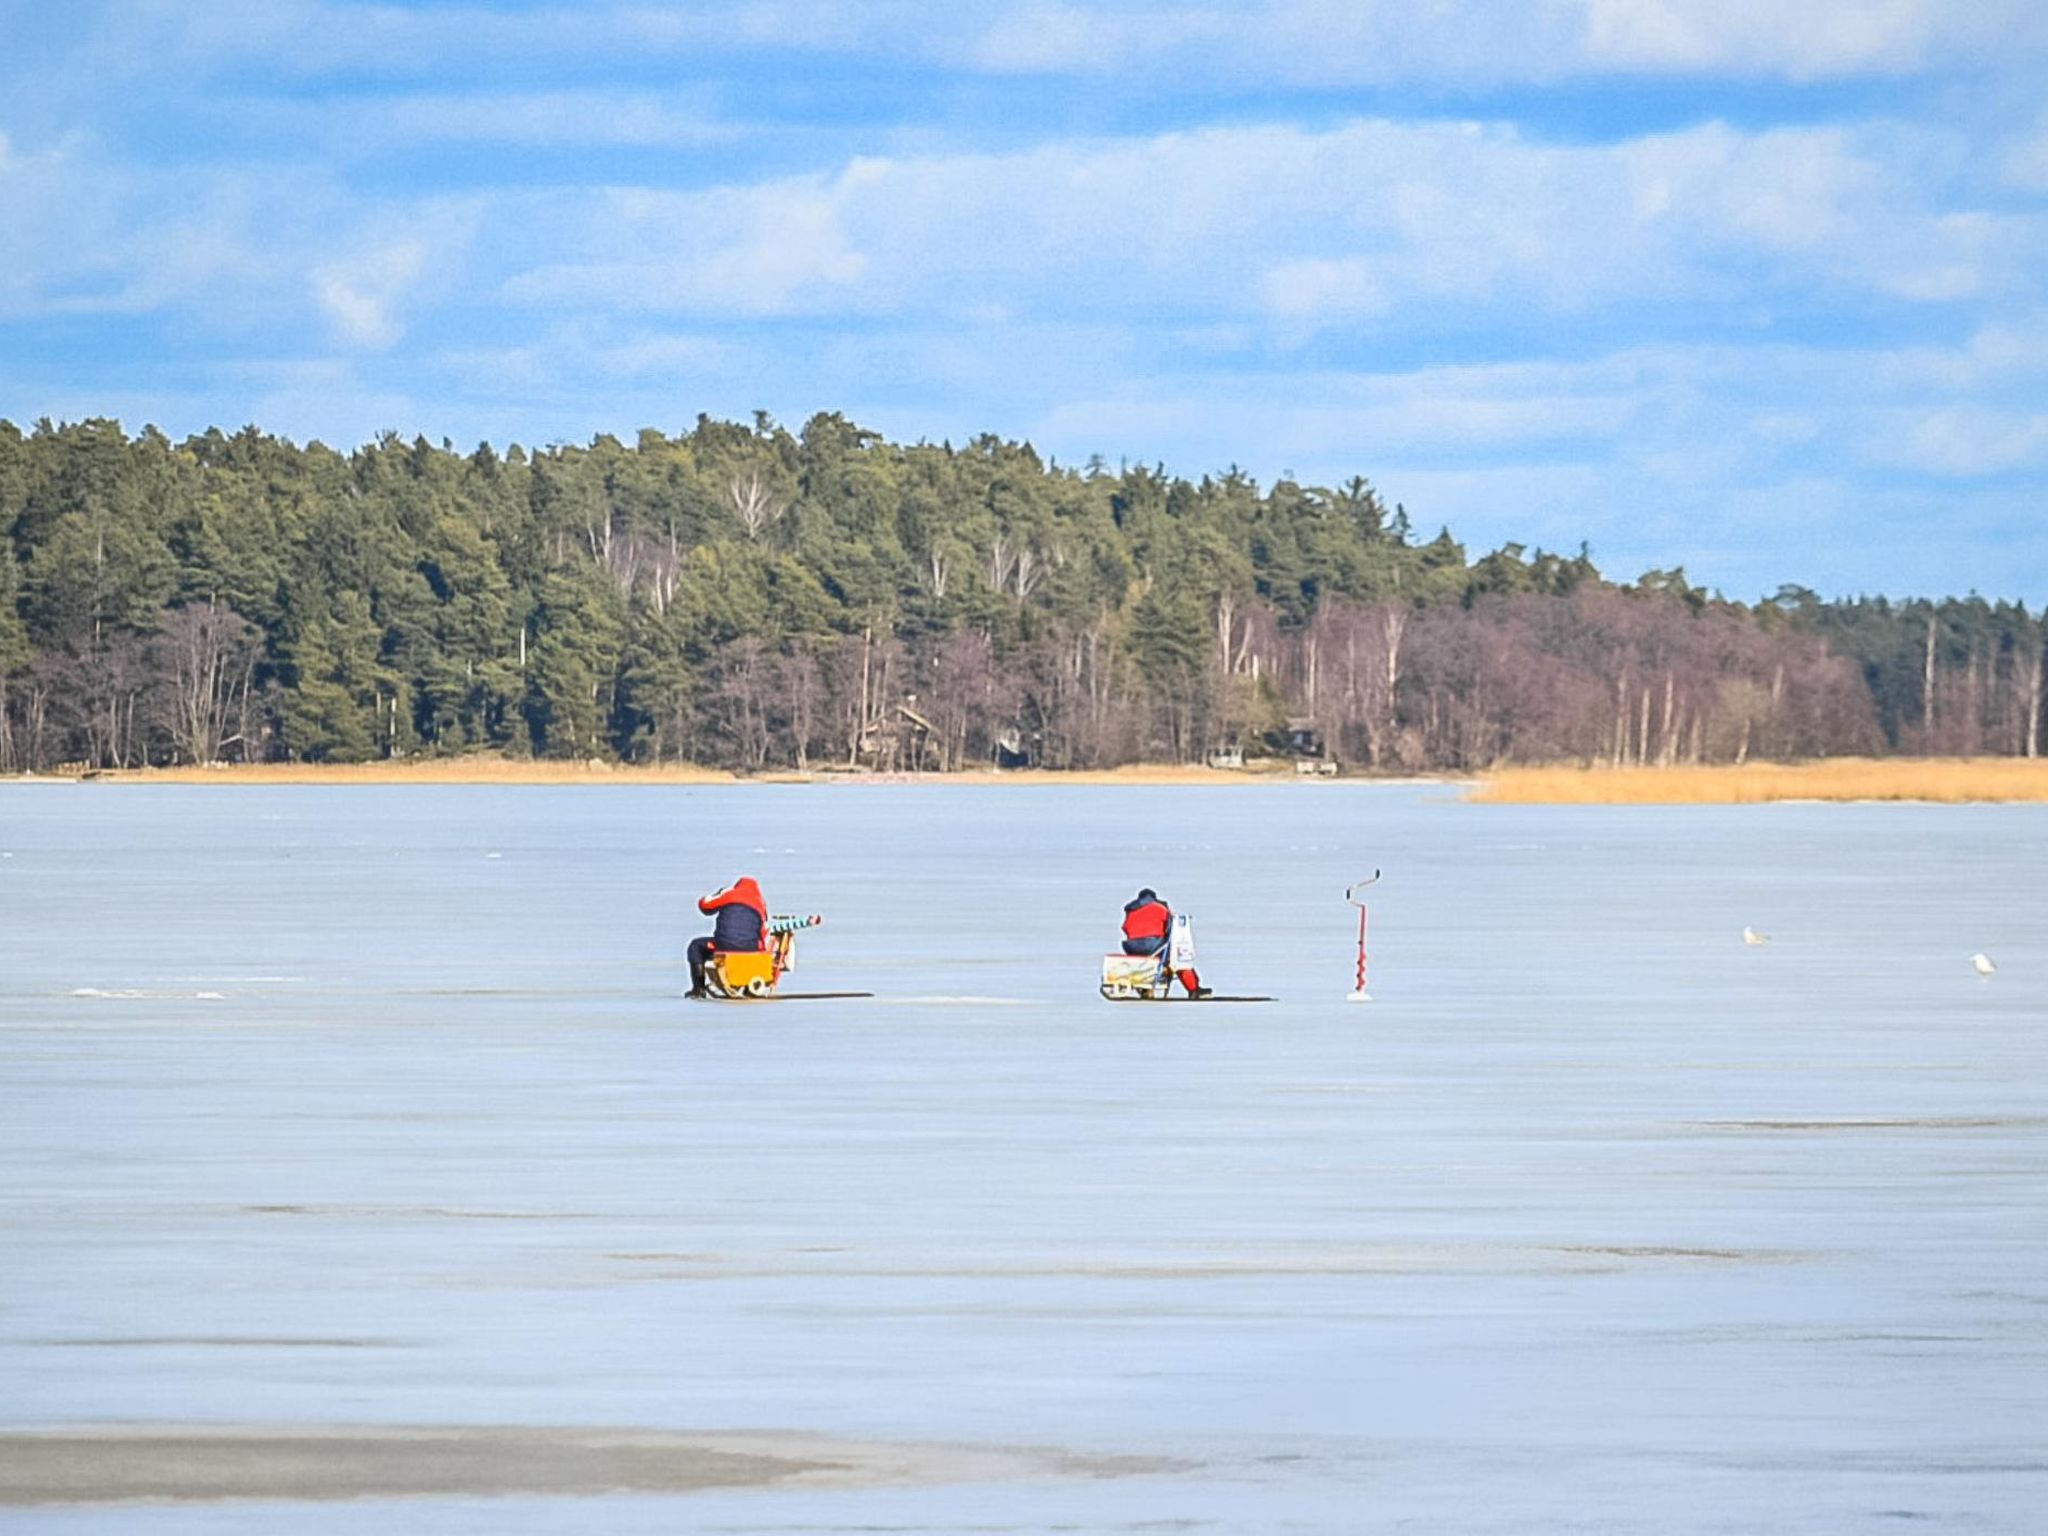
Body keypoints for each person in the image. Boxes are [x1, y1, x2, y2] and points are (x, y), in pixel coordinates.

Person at [1121, 887, 1208, 998]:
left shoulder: (1131, 910)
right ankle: (1194, 989)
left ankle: (1144, 989)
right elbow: (1170, 929)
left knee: (1143, 964)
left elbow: (1125, 928)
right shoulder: (1160, 908)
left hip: (1132, 946)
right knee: (1178, 957)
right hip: (1153, 944)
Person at [689, 877, 768, 997]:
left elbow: (704, 905)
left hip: (724, 944)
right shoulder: (760, 902)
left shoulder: (729, 894)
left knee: (695, 946)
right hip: (751, 947)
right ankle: (746, 985)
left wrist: (719, 893)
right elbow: (763, 930)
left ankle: (698, 989)